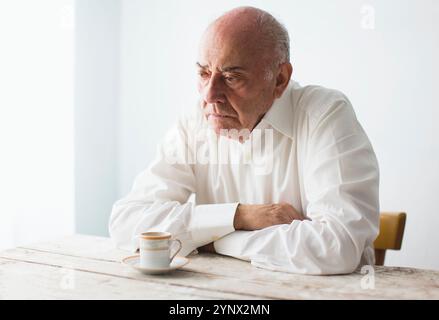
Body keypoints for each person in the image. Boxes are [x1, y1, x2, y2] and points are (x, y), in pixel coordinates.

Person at [109, 6, 380, 275]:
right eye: (204, 73)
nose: (210, 95)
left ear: (280, 79)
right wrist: (240, 216)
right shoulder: (195, 122)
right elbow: (126, 222)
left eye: (231, 77)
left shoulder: (325, 114)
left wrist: (214, 240)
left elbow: (336, 247)